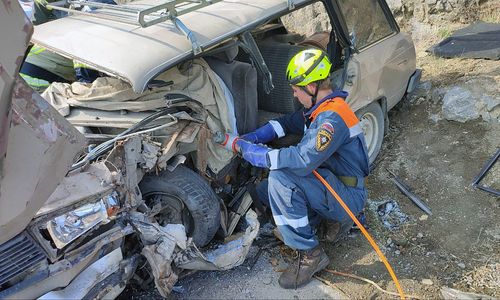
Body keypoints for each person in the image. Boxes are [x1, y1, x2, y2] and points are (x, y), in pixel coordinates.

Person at [234, 48, 370, 289]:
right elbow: (286, 123)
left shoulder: (332, 118)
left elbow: (303, 159)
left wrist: (260, 155)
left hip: (346, 196)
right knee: (267, 190)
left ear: (311, 87)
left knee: (280, 179)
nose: (295, 95)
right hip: (332, 185)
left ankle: (310, 255)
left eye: (297, 90)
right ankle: (321, 221)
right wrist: (254, 136)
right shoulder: (319, 110)